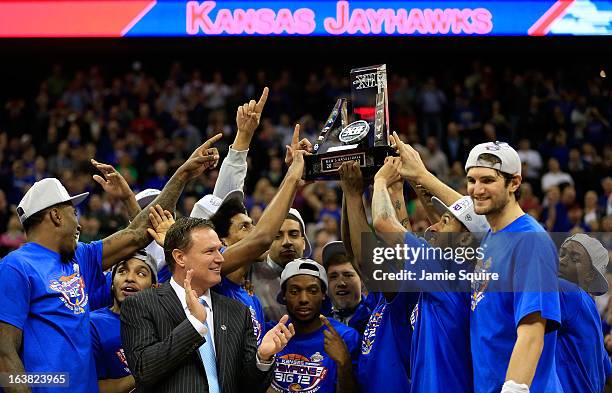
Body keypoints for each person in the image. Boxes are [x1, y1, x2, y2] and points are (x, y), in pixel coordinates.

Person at [0, 133, 222, 393]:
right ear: (56, 216)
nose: (79, 224)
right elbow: (4, 352)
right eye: (74, 214)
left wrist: (182, 175)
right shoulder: (16, 267)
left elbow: (138, 233)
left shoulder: (79, 257)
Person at [121, 217, 295, 393]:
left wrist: (262, 358)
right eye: (210, 251)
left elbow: (247, 387)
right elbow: (143, 371)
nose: (220, 258)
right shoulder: (140, 304)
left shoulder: (237, 311)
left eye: (219, 250)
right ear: (180, 257)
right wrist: (194, 325)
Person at [372, 144, 490, 393]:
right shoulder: (467, 275)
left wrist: (380, 180)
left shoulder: (447, 272)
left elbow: (383, 222)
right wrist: (407, 183)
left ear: (466, 240)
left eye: (444, 221)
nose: (433, 227)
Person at [461, 139, 562, 393]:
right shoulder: (492, 236)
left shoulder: (530, 241)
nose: (477, 189)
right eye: (471, 180)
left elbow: (531, 333)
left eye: (488, 180)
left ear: (514, 183)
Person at [270, 259, 359, 393]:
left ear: (323, 295)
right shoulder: (270, 334)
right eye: (294, 291)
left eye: (312, 291)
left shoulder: (345, 337)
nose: (303, 299)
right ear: (284, 295)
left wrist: (344, 364)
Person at [90, 250, 158, 393]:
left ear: (154, 288)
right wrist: (151, 370)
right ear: (112, 284)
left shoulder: (163, 325)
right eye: (122, 271)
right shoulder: (92, 324)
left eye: (141, 273)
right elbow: (88, 387)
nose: (130, 278)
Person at [556, 234, 610, 393]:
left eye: (574, 259)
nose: (562, 261)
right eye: (562, 254)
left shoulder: (569, 292)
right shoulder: (591, 310)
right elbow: (607, 369)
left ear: (590, 275)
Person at [321, 241, 375, 336]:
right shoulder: (316, 320)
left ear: (362, 280)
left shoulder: (376, 318)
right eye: (333, 277)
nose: (341, 283)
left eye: (348, 275)